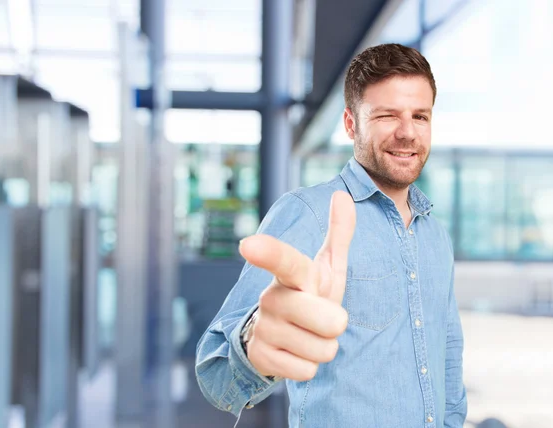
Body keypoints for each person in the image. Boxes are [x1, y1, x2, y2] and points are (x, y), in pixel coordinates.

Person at [195, 43, 467, 427]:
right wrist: (256, 340)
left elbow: (448, 356)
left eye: (420, 116)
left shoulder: (435, 234)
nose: (408, 133)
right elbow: (217, 375)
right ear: (351, 123)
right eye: (387, 115)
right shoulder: (310, 214)